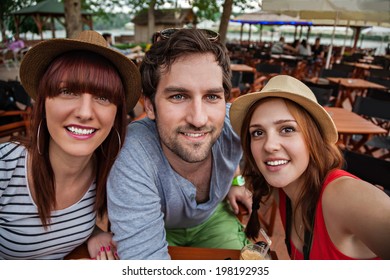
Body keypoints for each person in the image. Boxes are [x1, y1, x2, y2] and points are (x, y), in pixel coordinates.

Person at [107, 28, 252, 260]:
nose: (198, 119)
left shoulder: (236, 121)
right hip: (158, 225)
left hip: (214, 219)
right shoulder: (133, 153)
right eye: (178, 96)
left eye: (212, 96)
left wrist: (236, 180)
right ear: (150, 106)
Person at [0, 30, 141, 259]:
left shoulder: (111, 171)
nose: (85, 113)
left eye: (103, 97)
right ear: (43, 101)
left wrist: (94, 231)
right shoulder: (5, 168)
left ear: (116, 115)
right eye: (68, 92)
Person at [229, 75, 390, 260]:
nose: (269, 145)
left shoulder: (347, 197)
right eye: (258, 133)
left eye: (287, 129)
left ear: (313, 138)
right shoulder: (281, 189)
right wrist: (236, 182)